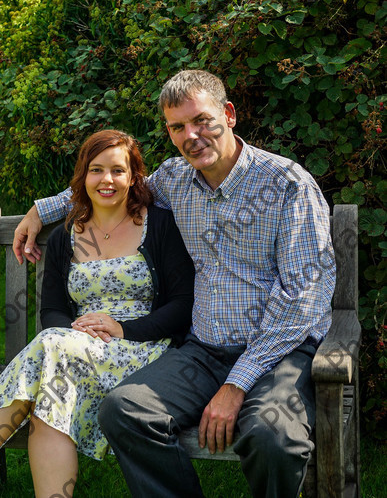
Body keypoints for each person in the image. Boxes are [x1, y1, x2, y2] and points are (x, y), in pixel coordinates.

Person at [13, 70, 335, 498]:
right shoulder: (176, 180)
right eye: (177, 127)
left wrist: (237, 384)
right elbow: (112, 185)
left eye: (201, 120)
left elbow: (303, 299)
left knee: (272, 438)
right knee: (125, 410)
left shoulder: (287, 186)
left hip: (279, 351)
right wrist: (40, 210)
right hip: (204, 350)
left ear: (230, 114)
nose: (192, 136)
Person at [2, 129, 194, 498]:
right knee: (51, 396)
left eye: (118, 171)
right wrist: (77, 336)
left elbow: (182, 306)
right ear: (83, 176)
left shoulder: (159, 226)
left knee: (52, 352)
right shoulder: (66, 236)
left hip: (143, 351)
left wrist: (121, 329)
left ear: (134, 177)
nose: (106, 180)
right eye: (96, 170)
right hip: (74, 352)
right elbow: (54, 310)